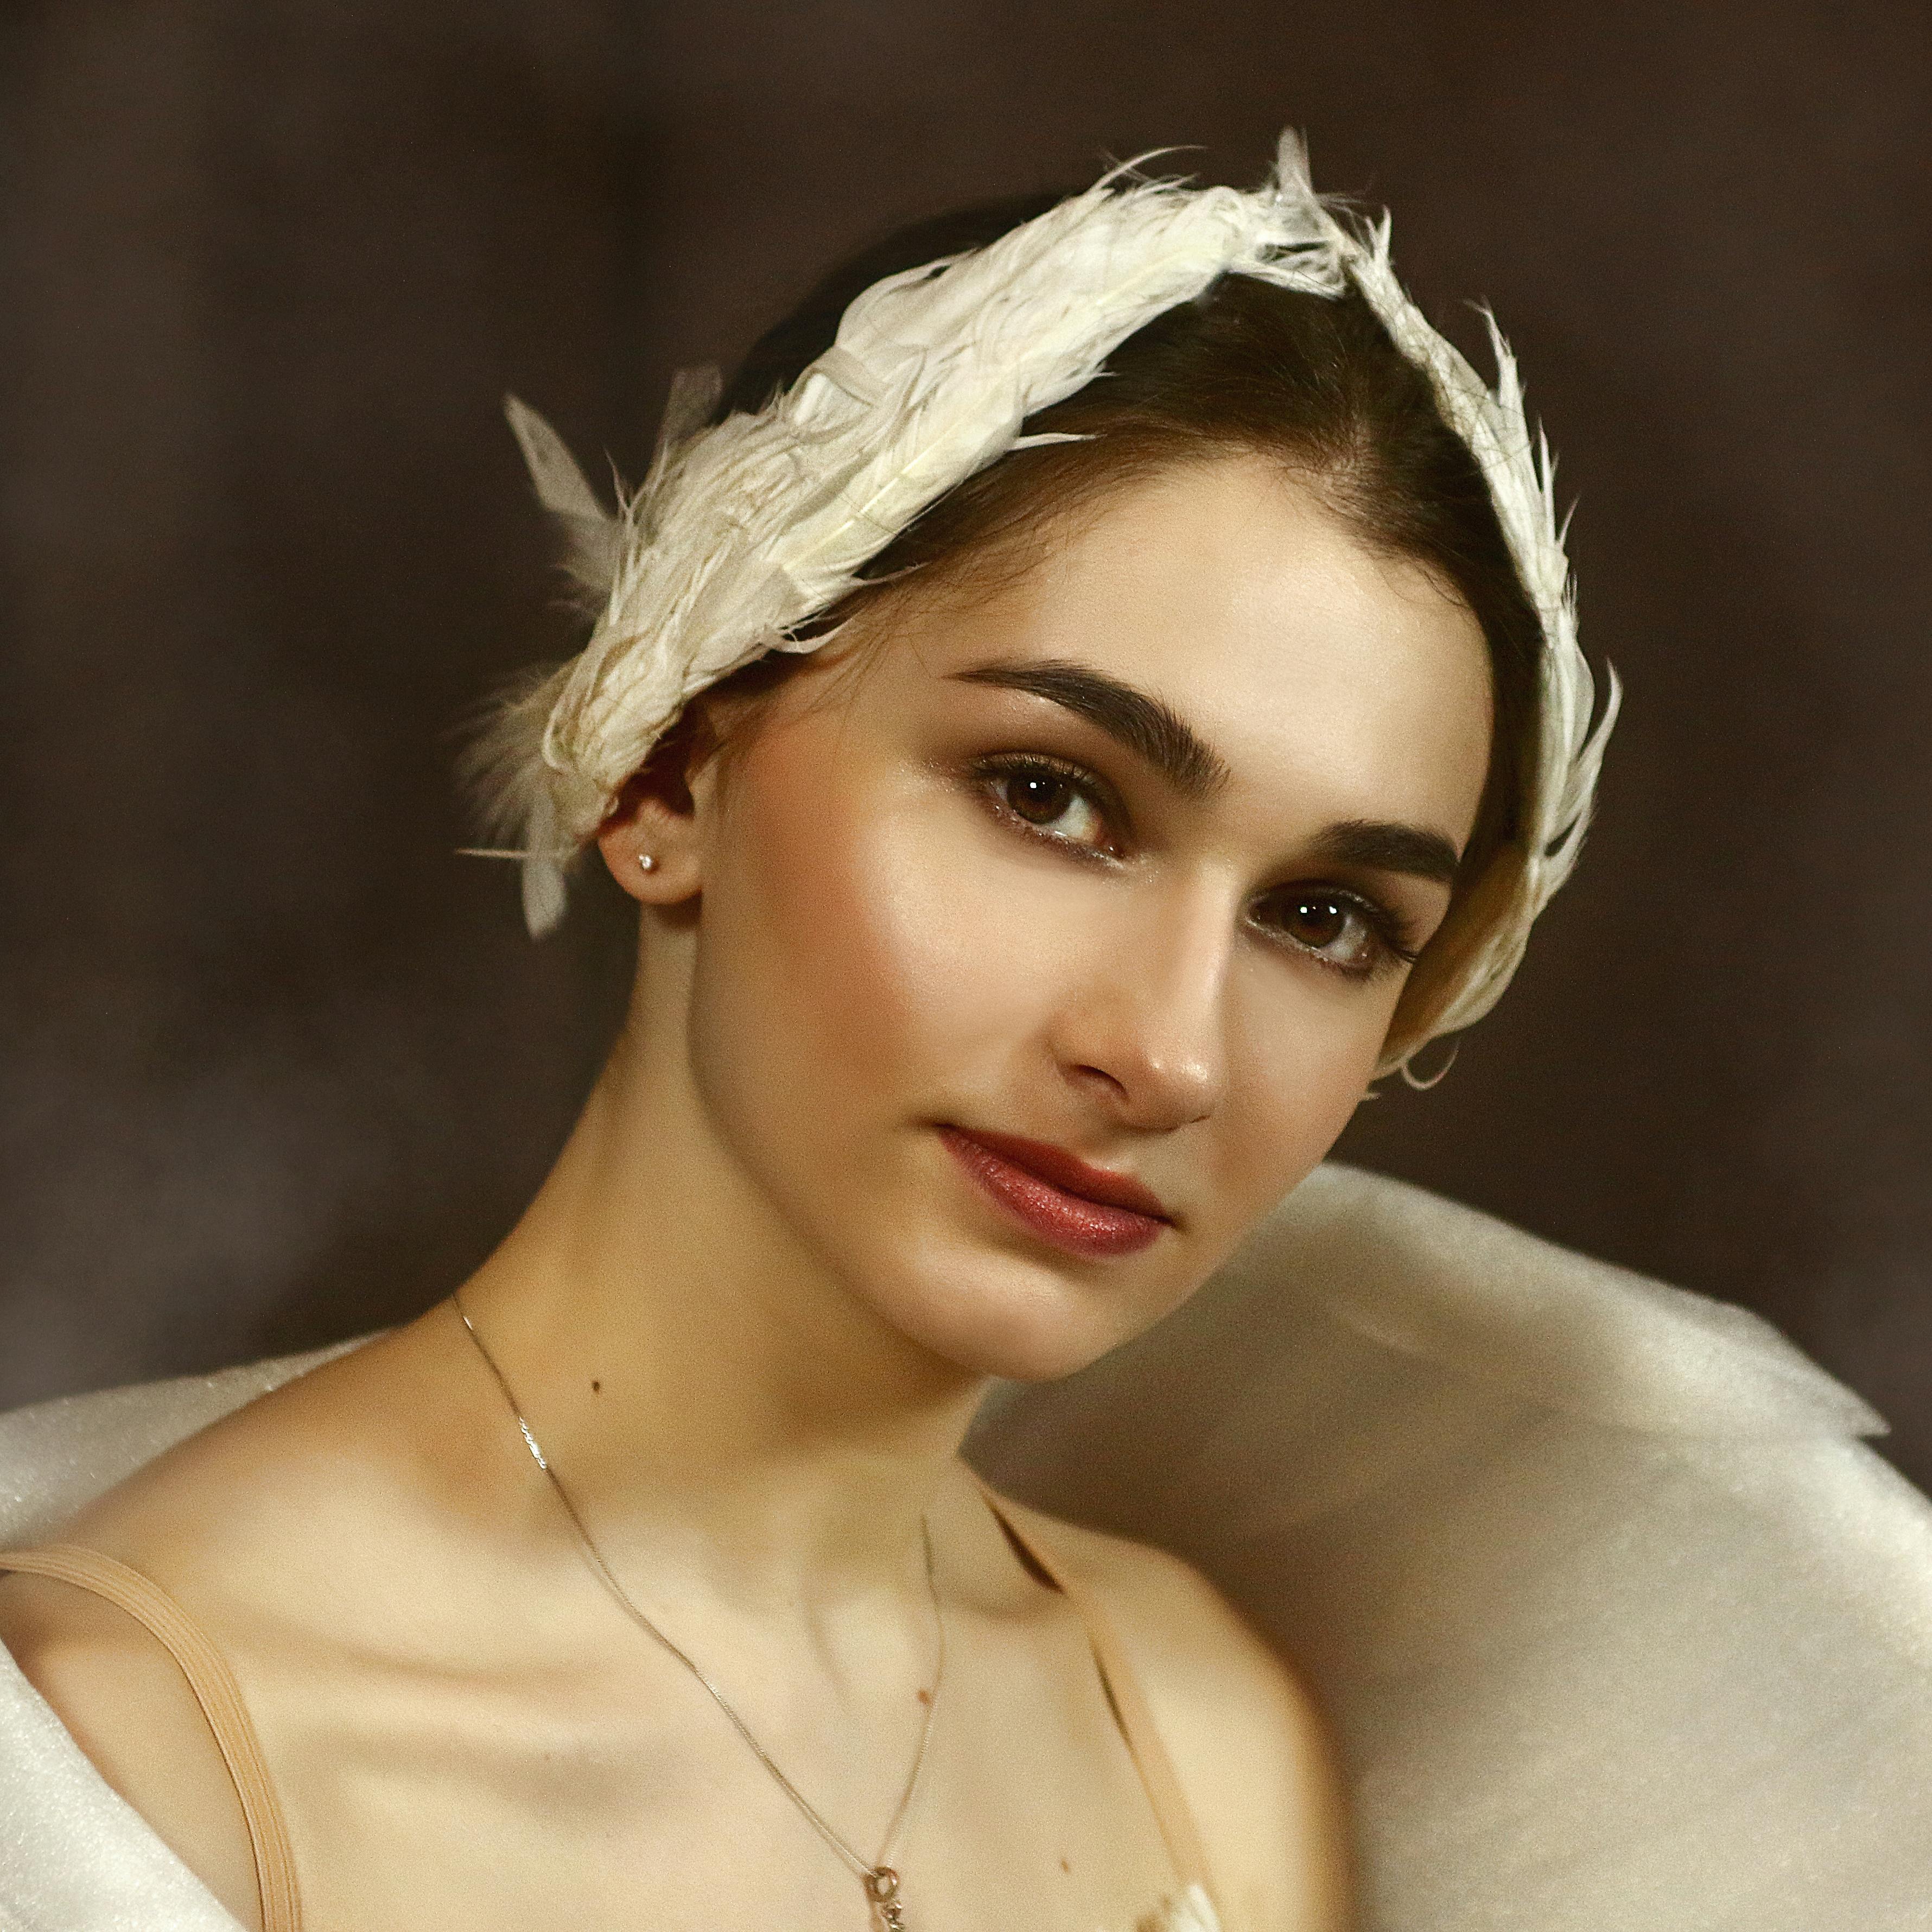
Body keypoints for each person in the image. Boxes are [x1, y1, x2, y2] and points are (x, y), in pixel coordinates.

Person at [1, 136, 1927, 1932]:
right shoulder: (136, 1742)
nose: (1170, 1055)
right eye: (1050, 796)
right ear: (664, 764)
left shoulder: (1204, 1742)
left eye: (1325, 918)